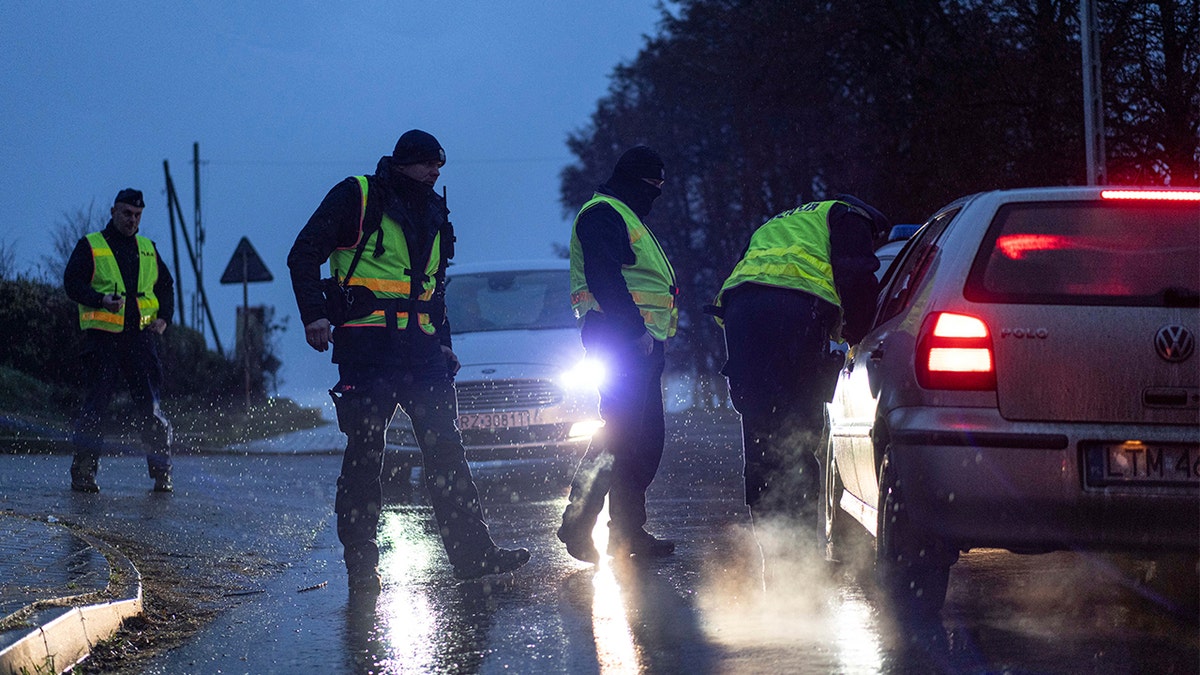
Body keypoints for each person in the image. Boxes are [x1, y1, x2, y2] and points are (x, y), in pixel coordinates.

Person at [287, 130, 530, 598]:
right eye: (427, 166)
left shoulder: (435, 210)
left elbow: (433, 287)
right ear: (402, 163)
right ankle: (361, 566)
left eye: (440, 167)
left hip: (421, 353)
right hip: (366, 349)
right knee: (366, 455)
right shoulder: (357, 196)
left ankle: (475, 556)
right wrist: (314, 315)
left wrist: (443, 342)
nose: (435, 174)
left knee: (447, 452)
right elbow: (302, 254)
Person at [709, 195, 886, 558]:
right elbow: (857, 278)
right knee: (798, 430)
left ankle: (772, 546)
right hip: (792, 311)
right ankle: (800, 550)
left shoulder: (783, 221)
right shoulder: (851, 218)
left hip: (741, 314)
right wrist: (856, 335)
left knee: (760, 431)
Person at [556, 145, 679, 563]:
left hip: (638, 340)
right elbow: (603, 276)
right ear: (633, 180)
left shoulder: (624, 214)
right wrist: (633, 330)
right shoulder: (604, 213)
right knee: (621, 436)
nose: (655, 195)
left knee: (642, 439)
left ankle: (628, 534)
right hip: (621, 338)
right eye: (651, 186)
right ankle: (580, 524)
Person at [63, 188, 175, 493]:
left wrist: (165, 318)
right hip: (103, 340)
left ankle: (163, 473)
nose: (132, 220)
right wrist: (99, 299)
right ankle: (84, 473)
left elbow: (166, 286)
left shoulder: (148, 248)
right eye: (127, 213)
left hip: (140, 340)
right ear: (113, 211)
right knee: (95, 407)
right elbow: (71, 282)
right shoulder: (91, 245)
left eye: (137, 215)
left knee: (150, 409)